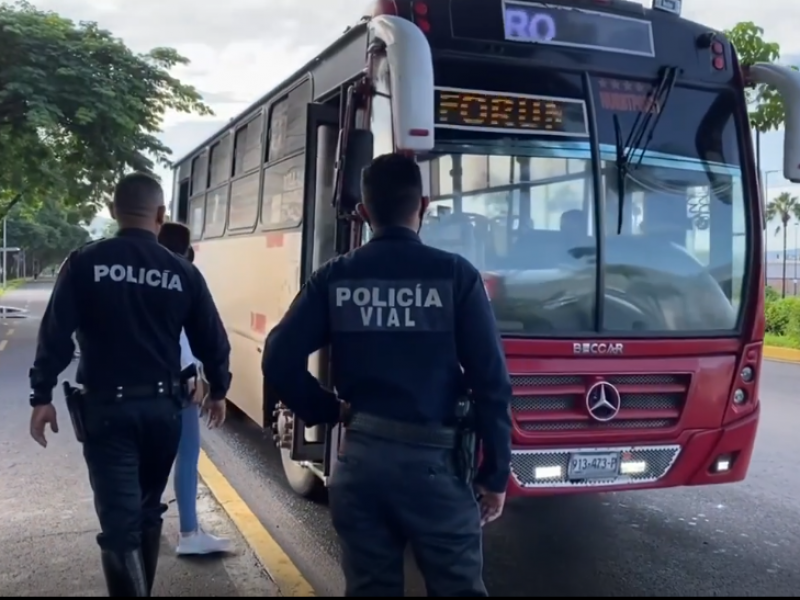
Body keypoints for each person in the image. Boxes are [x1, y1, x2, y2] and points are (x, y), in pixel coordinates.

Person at [262, 153, 513, 596]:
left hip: (362, 464)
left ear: (363, 212)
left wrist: (327, 409)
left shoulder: (336, 276)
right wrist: (494, 476)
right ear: (425, 204)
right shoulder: (456, 275)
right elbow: (491, 382)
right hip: (437, 469)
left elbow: (278, 358)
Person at [28, 172, 231, 596]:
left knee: (120, 528)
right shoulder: (182, 271)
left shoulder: (83, 262)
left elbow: (55, 335)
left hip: (106, 414)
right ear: (161, 215)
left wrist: (42, 395)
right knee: (147, 513)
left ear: (111, 211)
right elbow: (213, 339)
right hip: (163, 414)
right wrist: (219, 390)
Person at [156, 222, 232, 555]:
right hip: (176, 386)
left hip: (129, 389)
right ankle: (189, 533)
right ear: (189, 252)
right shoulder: (185, 277)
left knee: (140, 460)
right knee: (186, 456)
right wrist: (215, 388)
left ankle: (144, 522)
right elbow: (204, 339)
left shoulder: (138, 273)